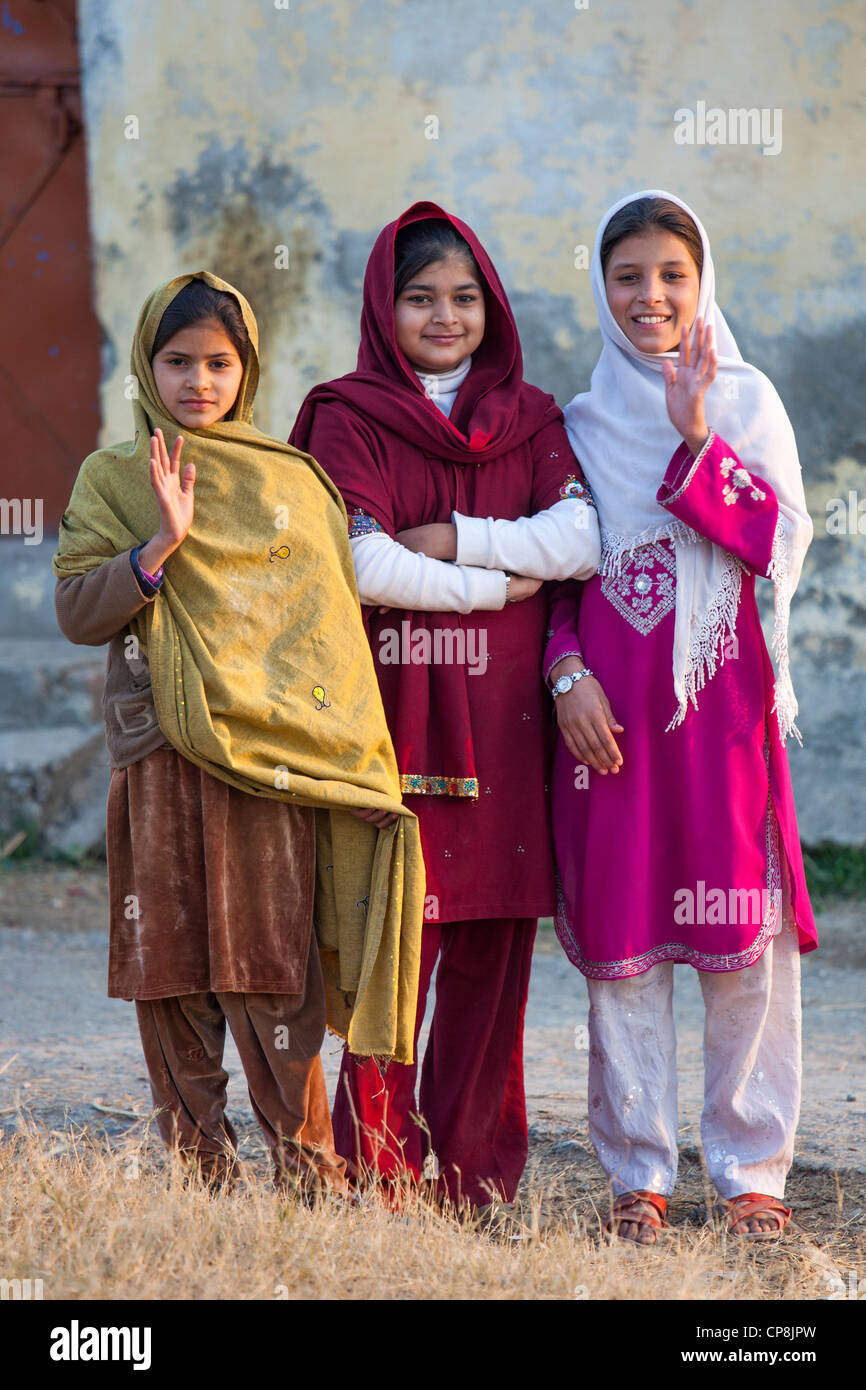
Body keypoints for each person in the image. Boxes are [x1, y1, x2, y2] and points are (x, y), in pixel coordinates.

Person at [53, 271, 424, 1196]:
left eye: (219, 363)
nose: (198, 383)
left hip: (271, 765)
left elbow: (327, 634)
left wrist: (358, 763)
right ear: (148, 364)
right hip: (159, 758)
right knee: (169, 965)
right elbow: (74, 611)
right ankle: (200, 1181)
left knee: (268, 967)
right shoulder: (114, 476)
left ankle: (308, 1180)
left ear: (246, 368)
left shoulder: (291, 483)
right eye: (177, 362)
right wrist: (156, 549)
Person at [290, 202, 600, 1211]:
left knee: (491, 953)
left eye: (463, 298)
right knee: (394, 953)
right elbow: (358, 559)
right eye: (419, 297)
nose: (443, 316)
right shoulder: (347, 415)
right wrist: (494, 581)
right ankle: (375, 1170)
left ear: (491, 309)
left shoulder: (530, 416)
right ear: (385, 306)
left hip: (508, 725)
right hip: (393, 718)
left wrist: (453, 540)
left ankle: (474, 1179)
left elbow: (582, 540)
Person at [544, 191, 816, 1242]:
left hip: (722, 721)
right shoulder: (573, 422)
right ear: (600, 290)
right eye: (626, 277)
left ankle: (750, 1172)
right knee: (626, 944)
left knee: (742, 948)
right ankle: (638, 1175)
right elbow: (557, 581)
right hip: (608, 733)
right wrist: (565, 673)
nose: (649, 296)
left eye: (670, 275)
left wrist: (694, 435)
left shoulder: (745, 402)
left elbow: (773, 547)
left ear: (701, 284)